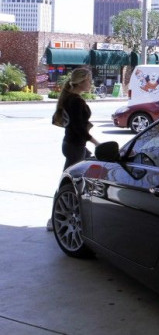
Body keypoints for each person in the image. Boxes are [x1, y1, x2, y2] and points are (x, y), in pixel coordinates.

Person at [49, 68, 100, 230]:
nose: (90, 83)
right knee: (68, 183)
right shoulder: (75, 101)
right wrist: (97, 143)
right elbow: (78, 128)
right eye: (89, 80)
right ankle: (55, 219)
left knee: (75, 176)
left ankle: (61, 215)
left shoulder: (71, 98)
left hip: (72, 145)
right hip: (75, 146)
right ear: (81, 82)